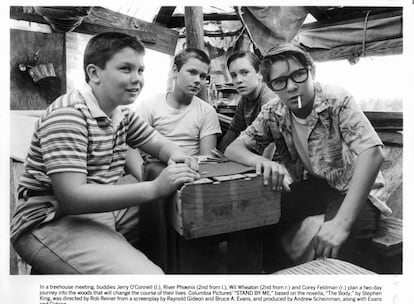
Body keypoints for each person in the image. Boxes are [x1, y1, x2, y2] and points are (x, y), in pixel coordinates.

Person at [10, 32, 200, 274]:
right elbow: (73, 197)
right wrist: (153, 188)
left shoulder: (121, 113)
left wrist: (177, 155)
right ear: (94, 73)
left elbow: (158, 143)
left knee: (176, 216)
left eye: (140, 71)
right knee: (148, 280)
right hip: (49, 219)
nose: (137, 79)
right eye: (125, 69)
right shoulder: (69, 115)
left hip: (94, 210)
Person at [225, 43, 391, 268]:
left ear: (311, 72)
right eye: (280, 81)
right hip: (315, 185)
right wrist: (262, 161)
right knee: (252, 218)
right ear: (272, 86)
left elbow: (373, 152)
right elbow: (233, 148)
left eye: (299, 75)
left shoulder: (336, 100)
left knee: (339, 243)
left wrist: (341, 222)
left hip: (354, 188)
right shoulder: (274, 111)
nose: (292, 87)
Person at [124, 48, 222, 180]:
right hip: (154, 170)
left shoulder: (207, 111)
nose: (197, 80)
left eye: (203, 76)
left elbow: (207, 158)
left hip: (190, 172)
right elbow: (131, 146)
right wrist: (145, 179)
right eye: (192, 72)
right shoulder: (150, 105)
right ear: (175, 70)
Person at [217, 50, 276, 155]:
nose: (238, 80)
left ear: (260, 73)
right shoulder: (244, 100)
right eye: (233, 75)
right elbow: (233, 131)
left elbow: (270, 138)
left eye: (244, 72)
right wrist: (218, 155)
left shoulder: (269, 95)